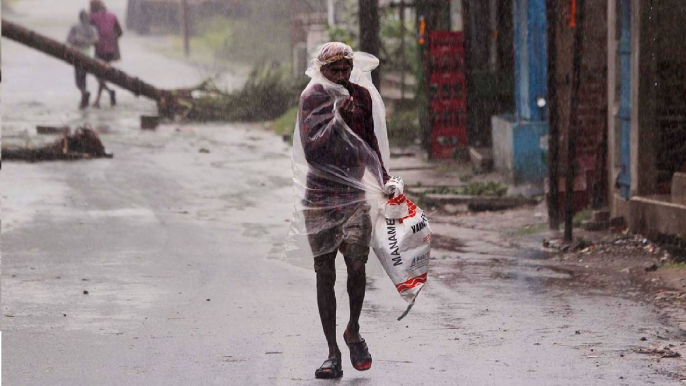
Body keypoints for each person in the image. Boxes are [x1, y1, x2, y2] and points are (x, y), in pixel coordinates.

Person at [295, 42, 390, 379]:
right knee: (325, 272)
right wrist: (338, 120)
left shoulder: (361, 97)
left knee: (357, 264)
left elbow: (369, 143)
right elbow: (312, 150)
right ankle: (332, 352)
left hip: (353, 196)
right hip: (320, 199)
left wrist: (384, 178)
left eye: (345, 69)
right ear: (322, 71)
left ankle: (353, 328)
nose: (340, 75)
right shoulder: (313, 99)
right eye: (334, 70)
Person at [89, 0, 122, 108]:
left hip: (99, 49)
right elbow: (120, 32)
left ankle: (102, 96)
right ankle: (107, 94)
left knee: (98, 73)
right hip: (110, 50)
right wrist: (112, 39)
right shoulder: (113, 16)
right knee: (102, 73)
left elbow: (88, 29)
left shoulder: (93, 17)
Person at [67, 10, 99, 109]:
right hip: (88, 55)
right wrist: (87, 42)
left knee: (78, 78)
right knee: (83, 75)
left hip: (77, 55)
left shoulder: (75, 28)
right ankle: (84, 95)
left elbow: (69, 40)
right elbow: (96, 41)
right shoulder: (92, 29)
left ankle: (83, 94)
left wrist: (78, 41)